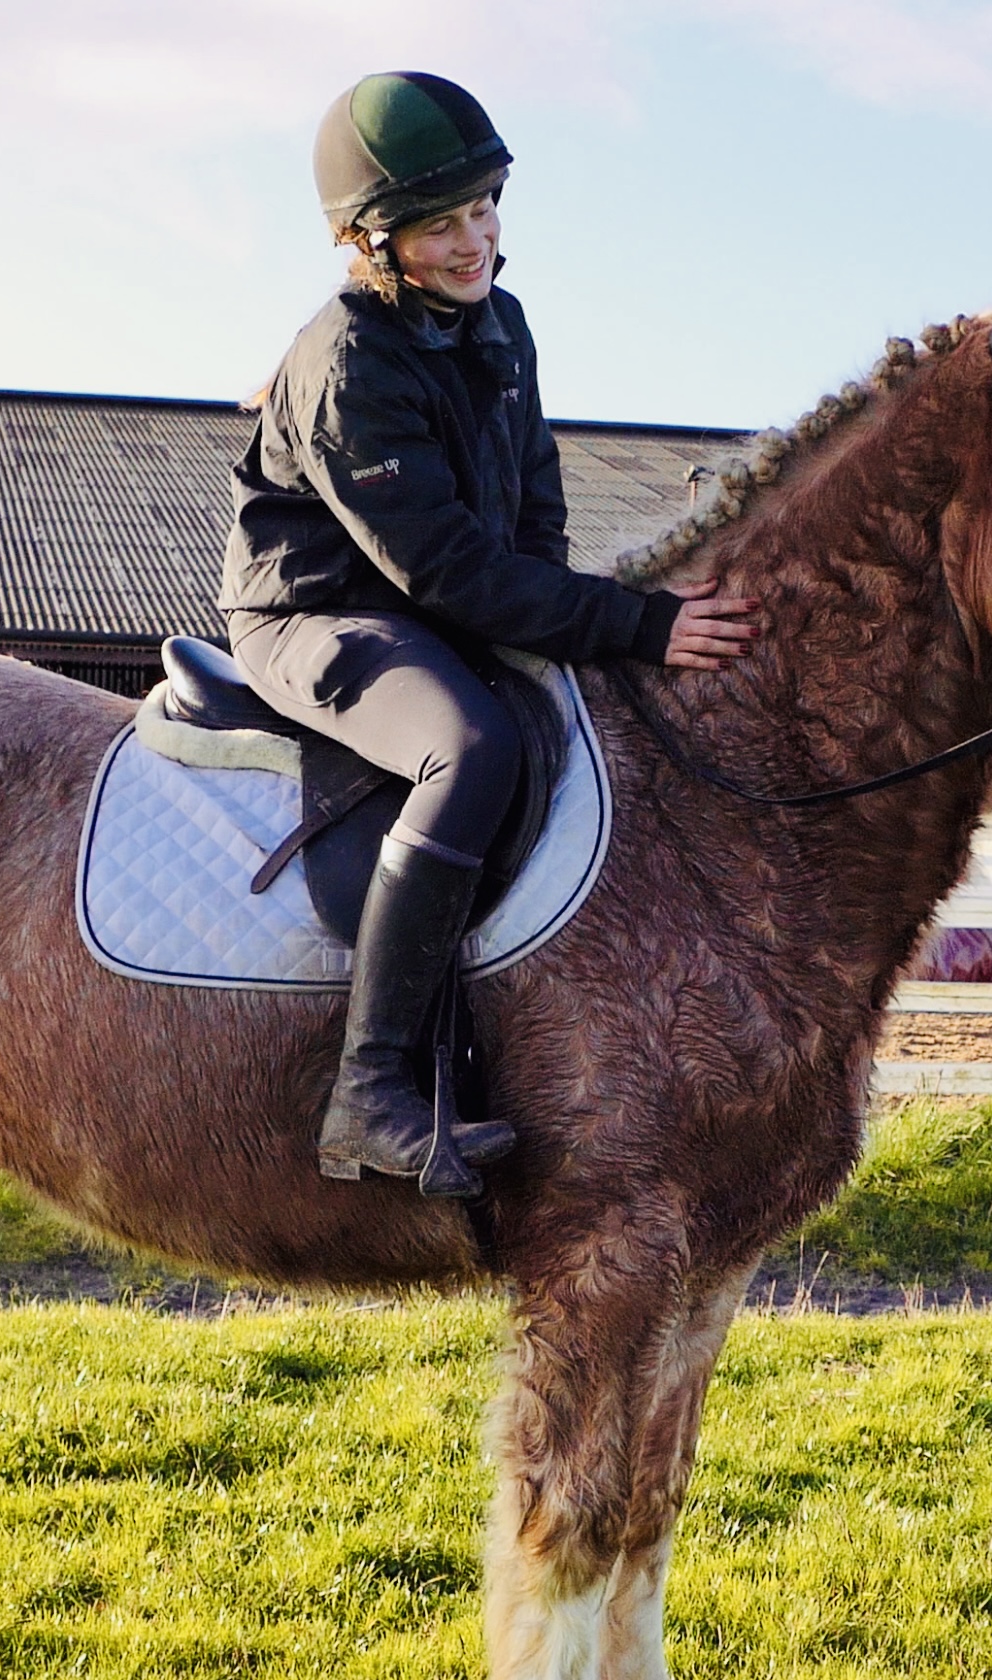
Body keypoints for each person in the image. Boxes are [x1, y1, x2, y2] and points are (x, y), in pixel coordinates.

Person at [221, 71, 757, 1193]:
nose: (474, 240)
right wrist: (641, 626)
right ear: (371, 240)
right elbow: (448, 567)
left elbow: (532, 508)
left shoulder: (499, 323)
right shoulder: (347, 363)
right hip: (318, 613)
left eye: (484, 208)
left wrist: (573, 622)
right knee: (467, 745)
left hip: (426, 603)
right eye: (438, 224)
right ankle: (367, 1092)